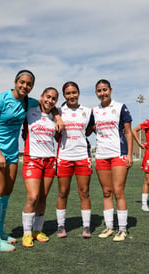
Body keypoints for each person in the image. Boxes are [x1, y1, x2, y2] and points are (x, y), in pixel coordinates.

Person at [0, 70, 39, 252]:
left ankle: (0, 232)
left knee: (6, 192)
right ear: (15, 82)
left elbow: (47, 105)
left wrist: (59, 116)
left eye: (29, 84)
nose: (25, 86)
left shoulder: (29, 102)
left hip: (13, 153)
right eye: (22, 82)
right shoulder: (0, 99)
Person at [92, 79, 133, 242]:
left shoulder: (120, 107)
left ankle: (122, 229)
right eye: (99, 91)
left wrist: (129, 155)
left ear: (111, 90)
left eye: (104, 90)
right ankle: (110, 227)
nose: (102, 93)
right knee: (106, 192)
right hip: (101, 155)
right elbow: (87, 129)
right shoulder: (94, 111)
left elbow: (128, 132)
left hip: (118, 154)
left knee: (118, 191)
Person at [55, 81, 95, 239]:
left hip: (82, 156)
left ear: (78, 93)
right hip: (64, 156)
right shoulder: (57, 111)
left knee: (84, 192)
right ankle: (60, 226)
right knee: (63, 192)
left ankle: (86, 226)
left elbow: (91, 128)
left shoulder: (87, 111)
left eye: (74, 92)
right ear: (64, 95)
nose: (71, 96)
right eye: (68, 93)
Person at [21, 87, 60, 248]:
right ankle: (27, 233)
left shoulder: (56, 117)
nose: (50, 100)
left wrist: (58, 117)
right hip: (32, 159)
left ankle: (38, 230)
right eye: (48, 97)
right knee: (32, 197)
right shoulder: (30, 110)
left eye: (54, 98)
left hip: (50, 160)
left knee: (43, 197)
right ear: (42, 96)